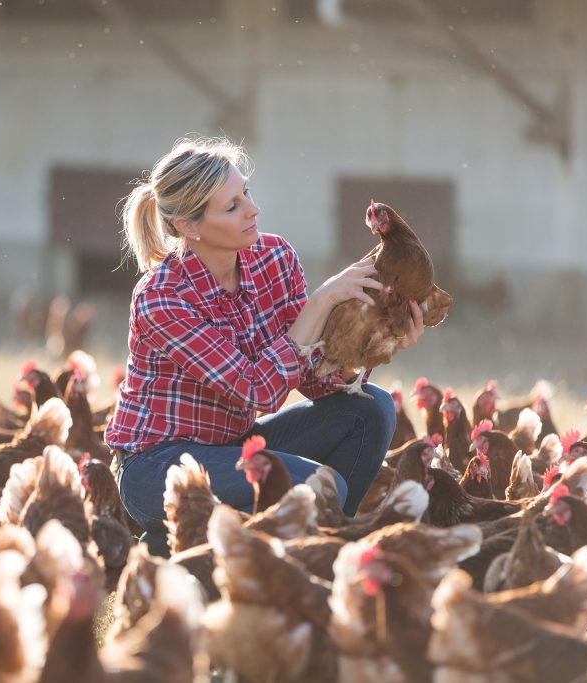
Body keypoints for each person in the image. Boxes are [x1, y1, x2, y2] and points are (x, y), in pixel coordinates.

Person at [105, 136, 425, 556]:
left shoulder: (275, 258)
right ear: (189, 226)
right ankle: (221, 543)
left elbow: (315, 381)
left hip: (235, 446)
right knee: (319, 486)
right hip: (158, 465)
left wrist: (375, 341)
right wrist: (323, 301)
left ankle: (302, 553)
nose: (253, 209)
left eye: (246, 192)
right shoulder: (163, 297)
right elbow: (258, 390)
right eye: (232, 205)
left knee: (372, 409)